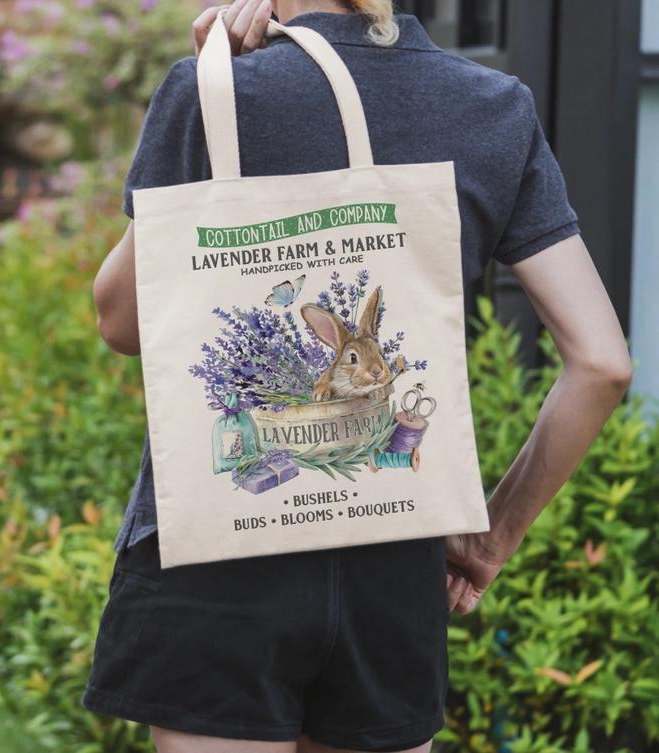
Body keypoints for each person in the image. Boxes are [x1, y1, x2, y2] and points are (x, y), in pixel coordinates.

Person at [81, 0, 633, 751]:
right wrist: (490, 537)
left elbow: (119, 320)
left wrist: (215, 98)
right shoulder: (490, 107)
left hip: (219, 558)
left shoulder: (218, 93)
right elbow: (600, 364)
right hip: (394, 568)